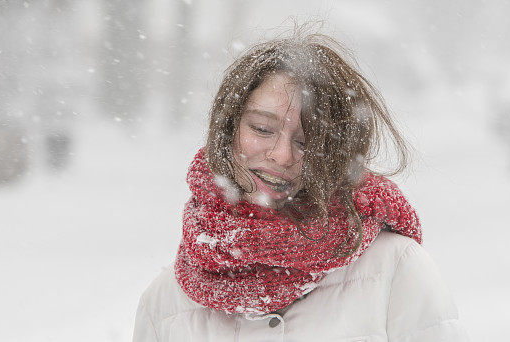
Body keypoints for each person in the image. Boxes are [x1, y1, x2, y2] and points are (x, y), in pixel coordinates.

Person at [133, 32, 468, 342]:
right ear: (228, 128)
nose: (282, 155)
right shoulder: (166, 305)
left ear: (338, 154)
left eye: (307, 142)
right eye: (263, 129)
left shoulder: (396, 271)